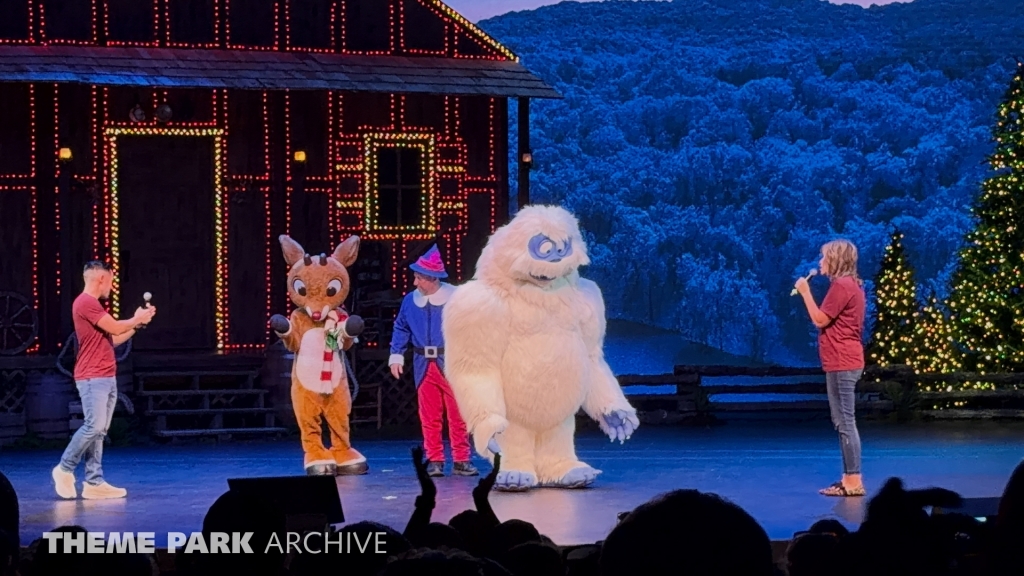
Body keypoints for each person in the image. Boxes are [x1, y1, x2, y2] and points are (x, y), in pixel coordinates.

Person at [52, 260, 155, 500]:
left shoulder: (93, 305)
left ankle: (94, 482)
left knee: (100, 431)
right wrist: (136, 318)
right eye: (110, 280)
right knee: (94, 426)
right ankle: (64, 468)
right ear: (101, 278)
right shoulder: (85, 302)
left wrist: (138, 324)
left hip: (106, 374)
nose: (112, 285)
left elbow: (113, 339)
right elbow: (117, 328)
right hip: (91, 376)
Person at [389, 245, 477, 477]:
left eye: (419, 278)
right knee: (429, 416)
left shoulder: (456, 297)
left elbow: (472, 328)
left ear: (432, 278)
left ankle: (461, 459)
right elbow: (401, 327)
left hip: (451, 363)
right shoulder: (410, 301)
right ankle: (435, 459)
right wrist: (396, 355)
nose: (415, 283)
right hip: (423, 365)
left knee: (457, 415)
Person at [795, 239, 866, 497]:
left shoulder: (843, 286)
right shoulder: (848, 285)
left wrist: (805, 291)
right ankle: (849, 478)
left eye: (824, 258)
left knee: (846, 422)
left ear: (835, 260)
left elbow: (819, 319)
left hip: (843, 362)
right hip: (842, 360)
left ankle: (854, 482)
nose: (820, 263)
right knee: (842, 422)